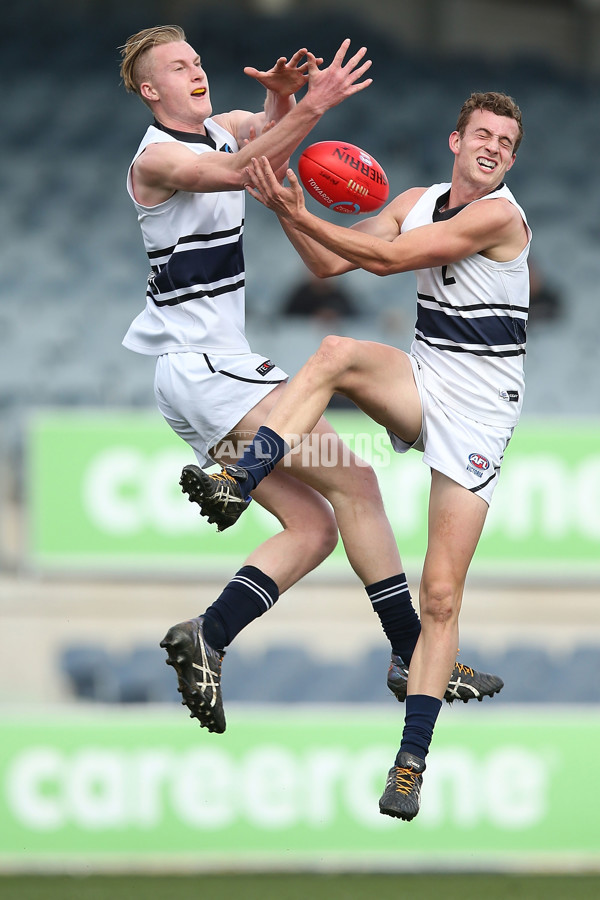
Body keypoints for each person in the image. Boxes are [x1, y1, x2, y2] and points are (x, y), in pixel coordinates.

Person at [119, 26, 501, 749]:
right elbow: (239, 175)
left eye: (198, 59)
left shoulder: (225, 128)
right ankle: (412, 654)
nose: (195, 70)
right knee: (356, 481)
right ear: (149, 90)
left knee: (317, 524)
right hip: (205, 364)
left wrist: (281, 98)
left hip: (202, 372)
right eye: (178, 66)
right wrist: (315, 106)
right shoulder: (157, 159)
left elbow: (260, 146)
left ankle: (210, 633)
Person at [189, 91, 528, 821]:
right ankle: (236, 477)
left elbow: (386, 260)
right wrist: (283, 202)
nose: (494, 147)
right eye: (483, 134)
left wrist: (303, 209)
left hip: (479, 414)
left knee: (440, 596)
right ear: (455, 139)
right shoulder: (416, 198)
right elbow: (324, 264)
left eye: (506, 140)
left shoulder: (500, 215)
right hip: (427, 375)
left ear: (510, 157)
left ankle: (409, 765)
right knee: (337, 350)